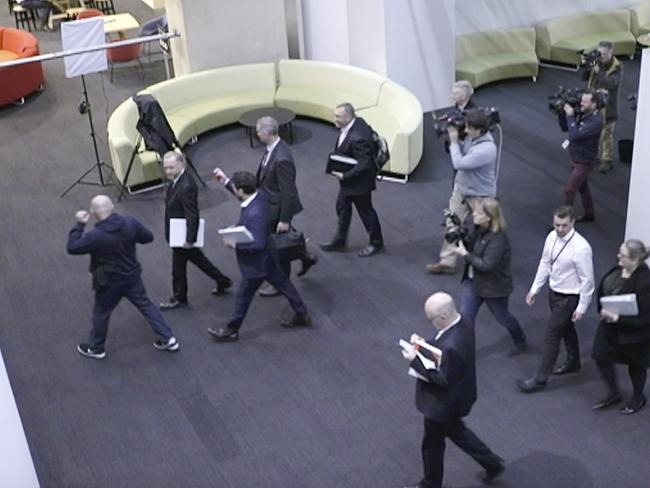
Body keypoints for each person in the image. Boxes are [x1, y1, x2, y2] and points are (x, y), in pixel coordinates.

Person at [402, 292, 504, 488]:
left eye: (431, 319)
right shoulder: (463, 321)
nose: (430, 323)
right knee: (457, 432)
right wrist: (424, 345)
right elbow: (443, 348)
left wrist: (414, 360)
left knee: (432, 446)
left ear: (442, 317)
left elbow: (442, 379)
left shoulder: (453, 347)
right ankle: (492, 463)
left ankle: (430, 485)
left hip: (442, 405)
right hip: (458, 398)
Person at [214, 116, 317, 298]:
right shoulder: (273, 150)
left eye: (259, 130)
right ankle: (304, 255)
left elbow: (288, 192)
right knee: (284, 241)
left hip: (276, 210)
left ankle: (282, 283)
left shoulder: (282, 158)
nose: (257, 133)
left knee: (278, 248)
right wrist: (227, 181)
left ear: (267, 132)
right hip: (270, 205)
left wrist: (284, 219)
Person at [66, 195, 179, 359]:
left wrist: (79, 225)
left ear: (93, 211)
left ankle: (96, 347)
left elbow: (72, 247)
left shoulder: (95, 236)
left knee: (101, 312)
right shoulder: (130, 223)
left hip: (108, 282)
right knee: (146, 305)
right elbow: (148, 237)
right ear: (111, 207)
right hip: (131, 276)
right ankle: (168, 338)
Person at [208, 171, 311, 342]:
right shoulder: (259, 195)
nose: (234, 190)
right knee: (284, 285)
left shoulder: (254, 214)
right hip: (269, 256)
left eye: (234, 187)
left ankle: (231, 330)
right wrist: (225, 181)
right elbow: (240, 195)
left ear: (241, 190)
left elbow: (257, 244)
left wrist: (234, 244)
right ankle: (302, 313)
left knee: (243, 296)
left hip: (257, 263)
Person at [517, 206, 594, 393]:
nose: (560, 229)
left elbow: (588, 281)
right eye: (557, 225)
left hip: (569, 298)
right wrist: (535, 288)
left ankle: (540, 380)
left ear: (573, 222)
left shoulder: (581, 248)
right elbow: (545, 262)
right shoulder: (551, 237)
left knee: (552, 336)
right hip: (554, 292)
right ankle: (573, 361)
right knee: (566, 329)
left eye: (564, 226)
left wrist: (582, 307)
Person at [449, 198, 527, 355]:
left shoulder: (498, 239)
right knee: (466, 319)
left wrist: (465, 254)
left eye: (479, 212)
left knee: (503, 317)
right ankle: (463, 351)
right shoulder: (476, 227)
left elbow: (486, 265)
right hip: (473, 282)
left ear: (490, 217)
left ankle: (520, 340)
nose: (474, 214)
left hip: (493, 287)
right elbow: (471, 244)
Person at [426, 111, 497, 275]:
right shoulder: (474, 138)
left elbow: (459, 163)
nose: (465, 130)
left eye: (468, 128)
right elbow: (463, 150)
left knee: (484, 228)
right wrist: (455, 140)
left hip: (480, 194)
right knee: (452, 222)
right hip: (462, 189)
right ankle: (447, 261)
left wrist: (453, 141)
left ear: (479, 130)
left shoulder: (487, 149)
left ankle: (487, 260)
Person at [159, 152, 231, 311]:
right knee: (198, 259)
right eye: (166, 168)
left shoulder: (186, 186)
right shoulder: (177, 180)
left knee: (178, 267)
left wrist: (189, 239)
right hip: (179, 232)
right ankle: (222, 280)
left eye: (171, 167)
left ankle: (180, 297)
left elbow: (192, 215)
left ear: (181, 164)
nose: (168, 171)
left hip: (182, 235)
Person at [592, 240, 650, 415]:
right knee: (600, 356)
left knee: (636, 365)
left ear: (635, 260)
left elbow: (646, 318)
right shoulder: (619, 269)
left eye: (623, 255)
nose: (618, 256)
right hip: (610, 326)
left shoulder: (645, 282)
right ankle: (613, 393)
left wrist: (618, 317)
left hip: (635, 334)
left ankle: (638, 397)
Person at [320, 102, 384, 258]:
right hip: (350, 182)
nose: (334, 119)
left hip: (359, 183)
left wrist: (345, 176)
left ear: (348, 117)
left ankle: (376, 242)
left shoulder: (359, 137)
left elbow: (365, 164)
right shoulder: (356, 122)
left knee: (366, 212)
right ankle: (340, 240)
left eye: (337, 116)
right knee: (342, 206)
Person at [562, 89, 603, 223]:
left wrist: (570, 116)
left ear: (594, 104)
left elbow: (575, 135)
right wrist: (563, 114)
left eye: (585, 101)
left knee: (569, 190)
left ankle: (565, 221)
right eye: (582, 100)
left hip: (585, 161)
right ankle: (589, 214)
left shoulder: (595, 121)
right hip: (577, 157)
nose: (581, 103)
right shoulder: (584, 113)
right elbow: (566, 128)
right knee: (582, 187)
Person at [581, 40, 622, 173]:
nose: (601, 56)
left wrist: (598, 72)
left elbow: (610, 84)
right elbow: (585, 79)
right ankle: (593, 157)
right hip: (595, 104)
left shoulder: (617, 67)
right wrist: (588, 67)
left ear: (611, 53)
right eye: (600, 53)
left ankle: (606, 160)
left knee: (606, 134)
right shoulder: (598, 62)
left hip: (609, 106)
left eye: (604, 54)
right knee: (592, 132)